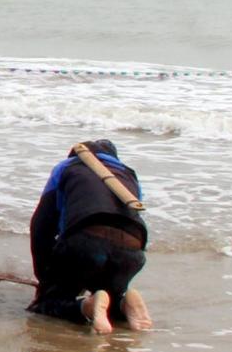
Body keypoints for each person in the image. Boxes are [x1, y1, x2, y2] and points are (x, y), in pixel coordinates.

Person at [28, 139, 153, 334]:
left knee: (49, 304)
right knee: (108, 297)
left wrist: (46, 282)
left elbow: (41, 227)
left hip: (87, 243)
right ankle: (122, 304)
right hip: (132, 251)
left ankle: (87, 306)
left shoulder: (65, 167)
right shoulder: (128, 174)